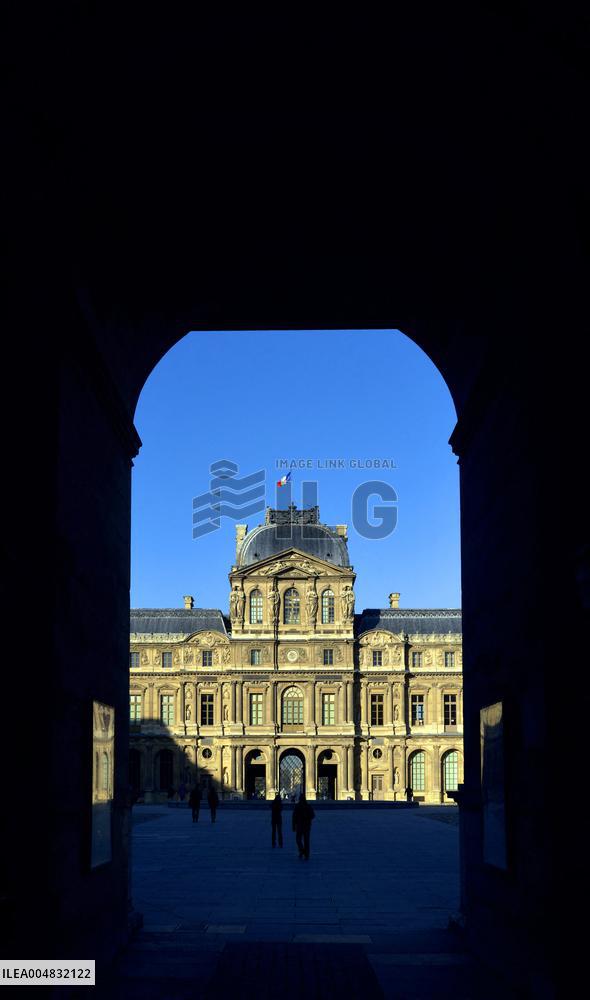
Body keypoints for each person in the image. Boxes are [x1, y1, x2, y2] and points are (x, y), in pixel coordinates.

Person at [292, 792, 315, 860]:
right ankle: (306, 854)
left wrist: (293, 826)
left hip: (300, 826)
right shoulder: (308, 806)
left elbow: (294, 817)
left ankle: (301, 850)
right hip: (307, 826)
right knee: (306, 840)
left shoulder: (297, 806)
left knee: (298, 839)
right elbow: (313, 815)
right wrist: (308, 818)